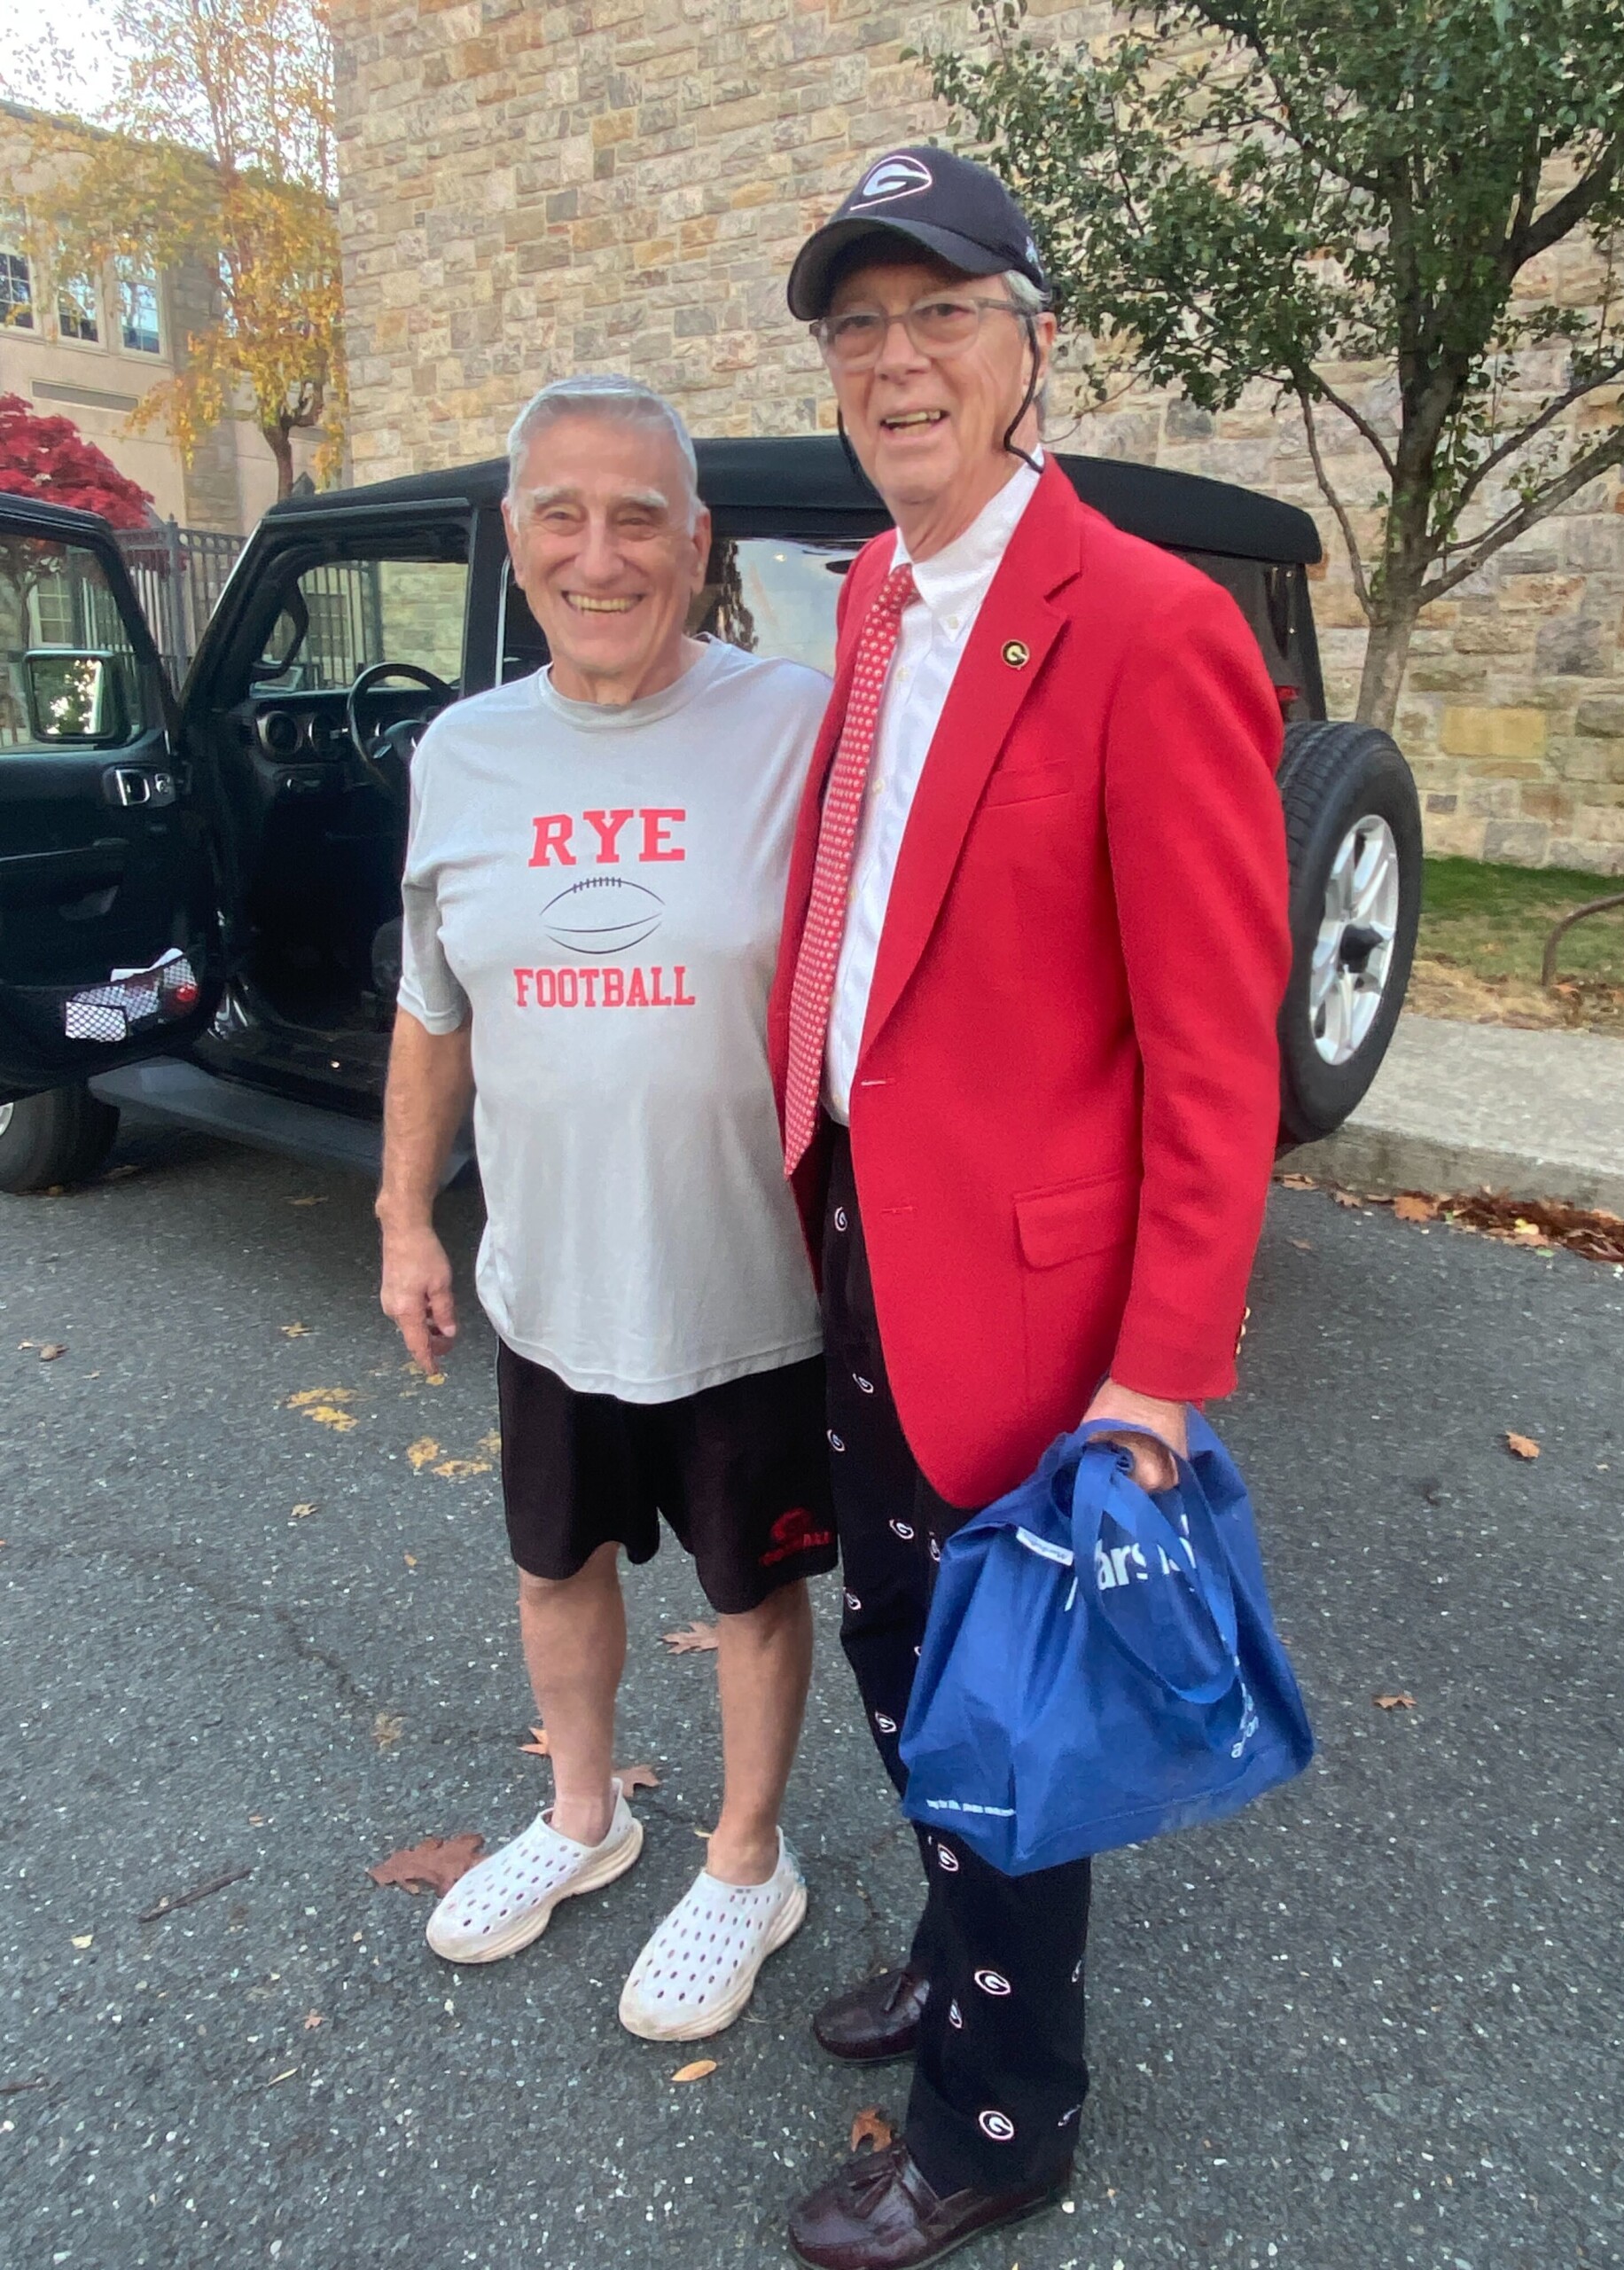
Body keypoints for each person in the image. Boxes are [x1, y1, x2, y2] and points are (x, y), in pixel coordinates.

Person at [769, 150, 1292, 2266]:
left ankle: (1000, 2101)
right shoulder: (877, 598)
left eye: (942, 316)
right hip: (856, 1226)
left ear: (1031, 346)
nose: (897, 363)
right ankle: (950, 1929)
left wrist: (1160, 1370)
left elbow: (1217, 1046)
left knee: (1003, 1681)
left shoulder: (1149, 626)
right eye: (858, 328)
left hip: (1028, 1290)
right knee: (900, 1642)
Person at [378, 374, 835, 2042]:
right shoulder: (462, 752)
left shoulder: (795, 723)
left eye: (639, 515)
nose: (600, 553)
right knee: (553, 1558)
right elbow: (435, 1007)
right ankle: (587, 1816)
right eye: (561, 515)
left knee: (746, 1589)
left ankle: (746, 1859)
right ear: (515, 540)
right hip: (550, 1274)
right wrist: (404, 1221)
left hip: (745, 1279)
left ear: (695, 541)